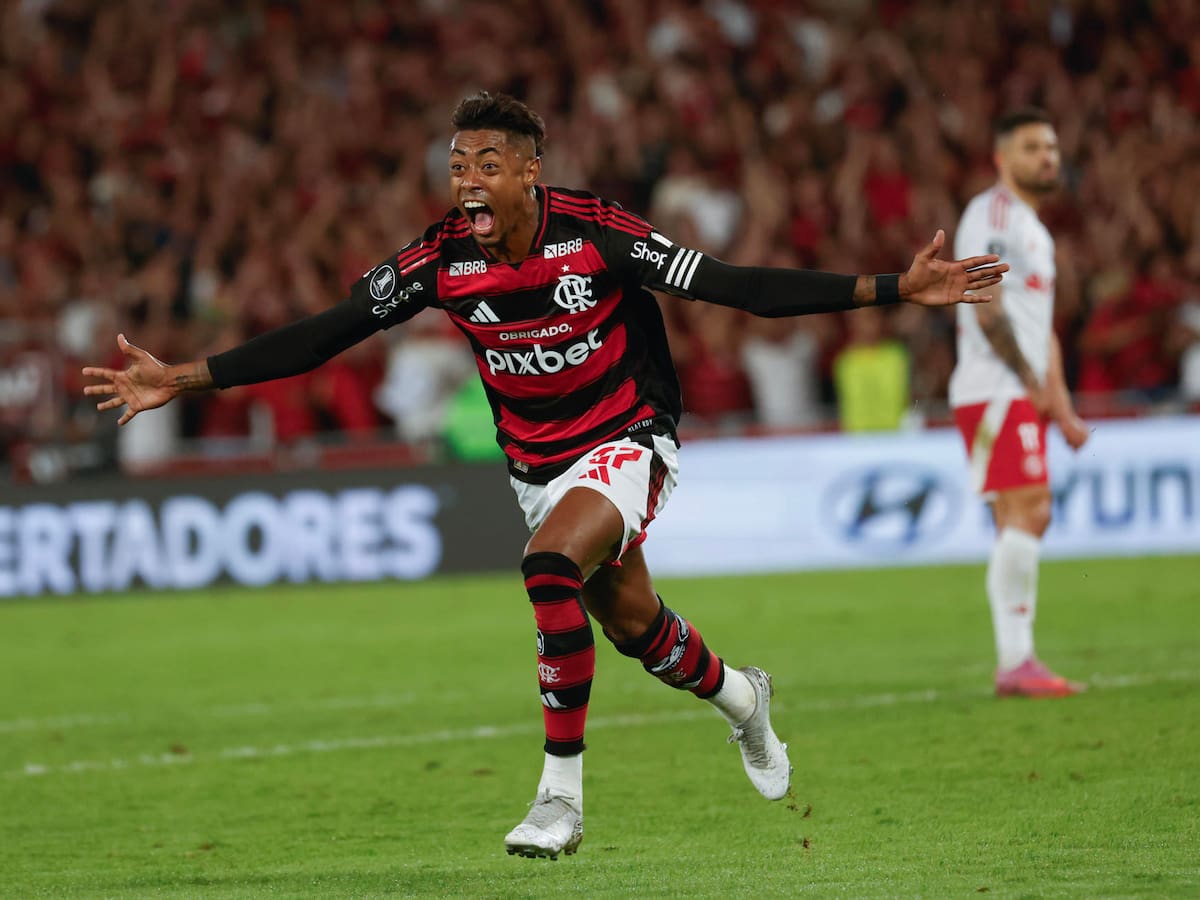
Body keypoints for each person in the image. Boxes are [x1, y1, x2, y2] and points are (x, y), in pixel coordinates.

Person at [84, 91, 1007, 859]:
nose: (466, 181)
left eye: (486, 163)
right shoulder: (440, 257)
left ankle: (558, 799)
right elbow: (325, 332)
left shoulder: (599, 233)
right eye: (456, 165)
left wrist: (892, 287)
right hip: (537, 465)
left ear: (531, 171)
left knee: (546, 566)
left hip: (630, 438)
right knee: (634, 627)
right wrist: (184, 376)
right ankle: (741, 695)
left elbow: (735, 287)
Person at [949, 108, 1090, 699]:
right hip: (994, 386)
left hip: (1017, 388)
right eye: (1033, 147)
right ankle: (1015, 661)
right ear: (1002, 157)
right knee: (1029, 509)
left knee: (1021, 514)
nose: (1047, 157)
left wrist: (1060, 405)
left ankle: (1018, 660)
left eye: (1052, 147)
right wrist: (1029, 379)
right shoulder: (993, 213)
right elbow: (982, 296)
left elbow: (1044, 328)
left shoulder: (1036, 229)